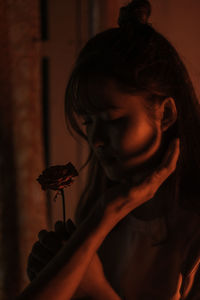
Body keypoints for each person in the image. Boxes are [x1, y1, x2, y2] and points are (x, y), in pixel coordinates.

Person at [18, 0, 200, 299]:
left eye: (113, 120)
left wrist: (93, 289)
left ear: (165, 114)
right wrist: (58, 273)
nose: (96, 140)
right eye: (88, 121)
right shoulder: (99, 208)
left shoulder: (192, 232)